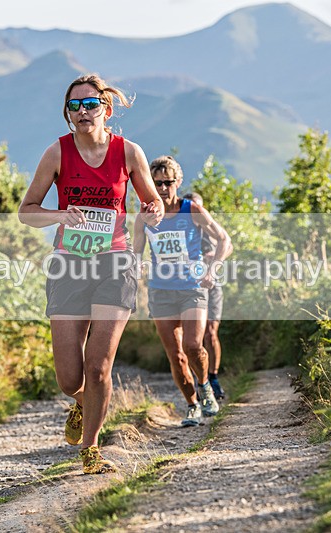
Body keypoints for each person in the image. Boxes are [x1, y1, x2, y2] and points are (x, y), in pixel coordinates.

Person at [18, 74, 163, 474]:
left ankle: (91, 450)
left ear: (106, 110)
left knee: (98, 367)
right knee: (70, 378)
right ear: (68, 113)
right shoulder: (57, 153)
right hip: (69, 264)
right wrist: (59, 215)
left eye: (90, 104)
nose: (83, 111)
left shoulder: (128, 152)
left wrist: (153, 211)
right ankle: (84, 402)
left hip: (115, 262)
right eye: (75, 106)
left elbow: (153, 203)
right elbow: (26, 211)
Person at [134, 157, 232, 427]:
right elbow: (136, 252)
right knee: (176, 356)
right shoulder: (144, 217)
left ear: (178, 182)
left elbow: (224, 239)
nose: (163, 189)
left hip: (192, 287)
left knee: (192, 346)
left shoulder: (192, 209)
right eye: (157, 183)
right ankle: (191, 406)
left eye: (168, 183)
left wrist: (212, 270)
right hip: (161, 291)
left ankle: (205, 385)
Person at [183, 192, 226, 400]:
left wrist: (214, 260)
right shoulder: (181, 228)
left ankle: (213, 377)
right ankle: (199, 379)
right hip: (188, 286)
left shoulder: (209, 226)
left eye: (199, 207)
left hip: (212, 284)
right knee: (193, 339)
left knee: (210, 332)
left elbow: (227, 244)